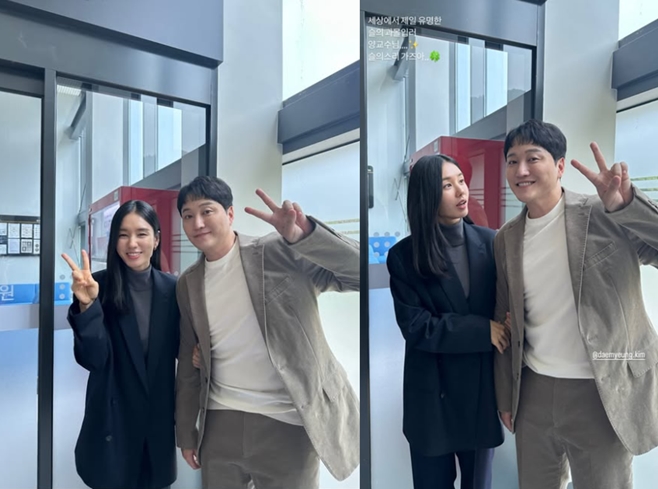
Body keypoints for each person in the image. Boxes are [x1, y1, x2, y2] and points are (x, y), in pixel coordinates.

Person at [494, 119, 658, 489]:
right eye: (512, 161)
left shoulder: (604, 214)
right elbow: (504, 317)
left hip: (601, 388)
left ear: (560, 166)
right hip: (533, 390)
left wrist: (627, 206)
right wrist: (506, 396)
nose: (520, 170)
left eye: (533, 158)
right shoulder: (507, 237)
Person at [174, 176, 360, 489]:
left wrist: (304, 237)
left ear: (230, 214)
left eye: (207, 211)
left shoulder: (279, 251)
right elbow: (187, 364)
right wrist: (185, 434)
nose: (198, 223)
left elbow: (359, 272)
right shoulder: (188, 282)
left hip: (288, 420)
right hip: (220, 421)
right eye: (188, 216)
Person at [386, 154, 510, 489]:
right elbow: (417, 327)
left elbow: (506, 309)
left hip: (481, 394)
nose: (461, 190)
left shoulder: (492, 241)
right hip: (431, 399)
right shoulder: (404, 256)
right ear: (427, 194)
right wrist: (481, 330)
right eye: (447, 185)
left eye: (461, 181)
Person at [62, 200, 180, 489]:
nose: (132, 243)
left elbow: (183, 348)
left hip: (156, 424)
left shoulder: (173, 289)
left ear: (156, 239)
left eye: (141, 233)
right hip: (112, 423)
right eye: (123, 234)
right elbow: (94, 360)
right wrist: (87, 306)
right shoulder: (97, 287)